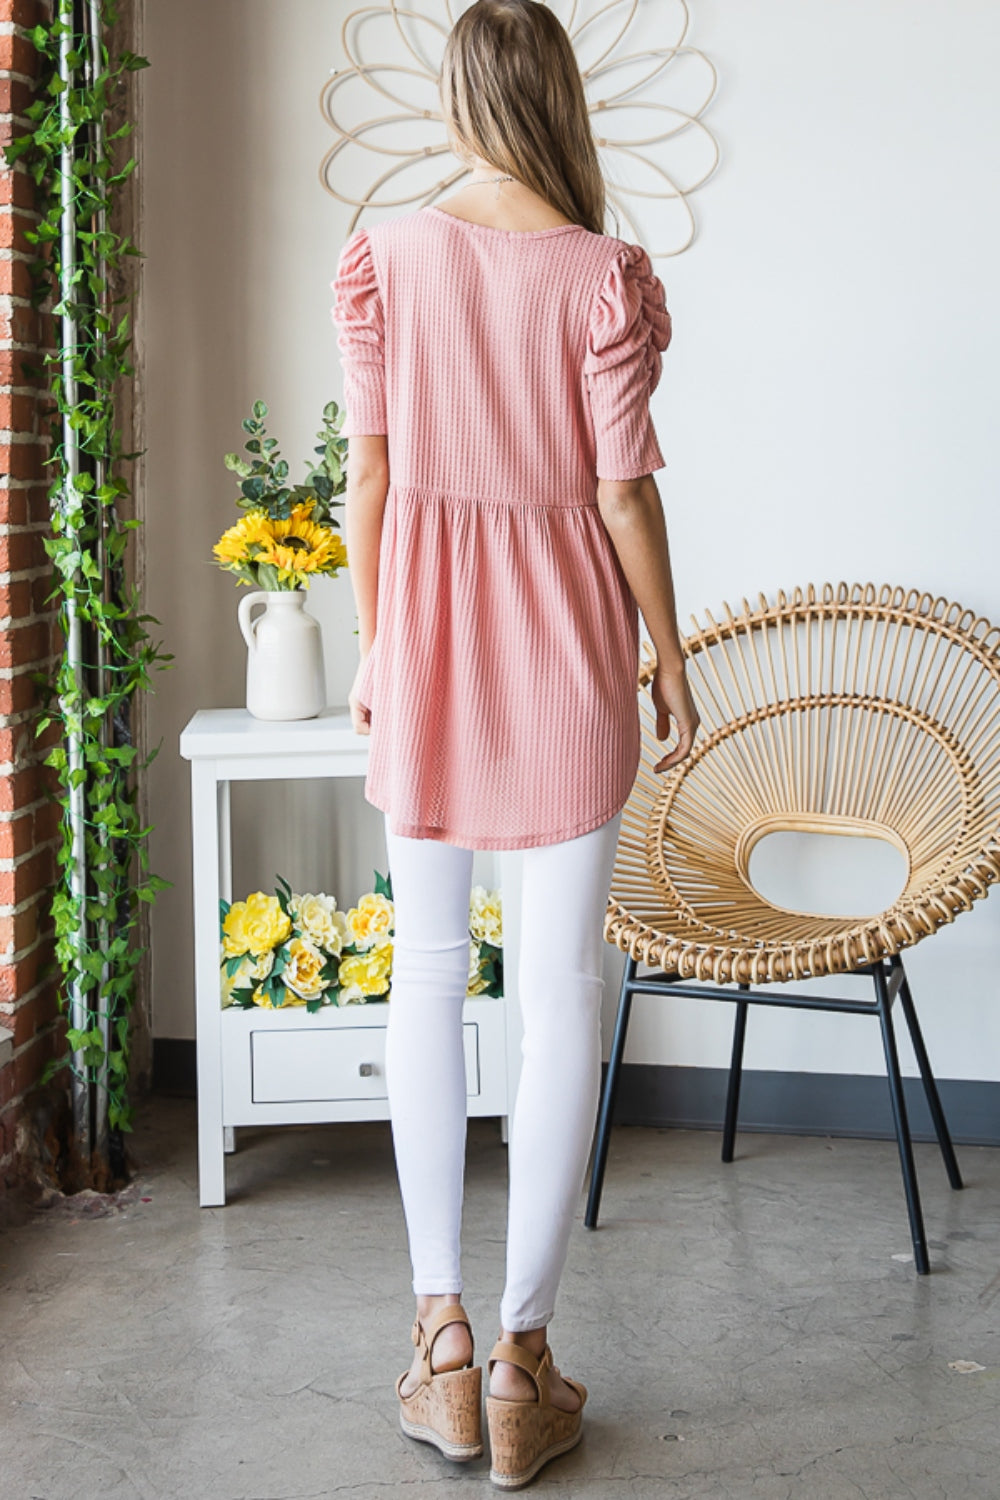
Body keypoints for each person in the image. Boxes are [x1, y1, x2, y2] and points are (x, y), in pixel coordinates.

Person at [330, 1, 699, 1486]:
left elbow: (371, 472)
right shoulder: (604, 275)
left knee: (428, 973)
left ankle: (437, 1348)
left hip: (422, 644)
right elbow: (623, 499)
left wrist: (374, 644)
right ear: (557, 97)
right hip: (562, 656)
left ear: (457, 98)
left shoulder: (387, 257)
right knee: (559, 991)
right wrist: (666, 651)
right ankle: (525, 1369)